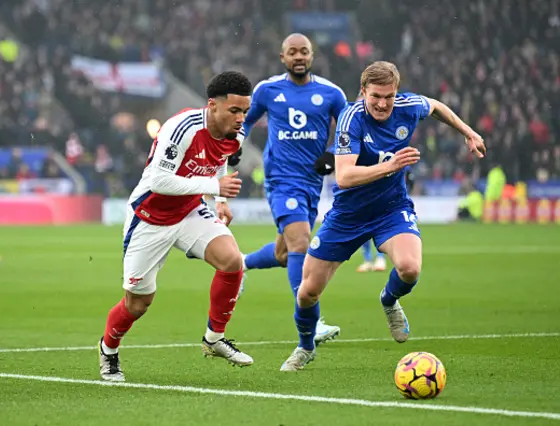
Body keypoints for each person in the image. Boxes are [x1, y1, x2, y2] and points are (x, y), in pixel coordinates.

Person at [280, 61, 486, 371]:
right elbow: (345, 176)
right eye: (375, 96)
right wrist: (390, 167)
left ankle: (389, 300)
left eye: (389, 96)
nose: (382, 103)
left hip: (391, 209)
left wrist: (468, 133)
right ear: (362, 92)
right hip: (347, 215)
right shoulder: (352, 119)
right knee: (307, 293)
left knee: (410, 269)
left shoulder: (408, 106)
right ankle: (306, 346)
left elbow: (437, 107)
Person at [98, 71, 254, 382]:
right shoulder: (180, 128)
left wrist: (219, 199)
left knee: (232, 261)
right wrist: (214, 184)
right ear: (212, 105)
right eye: (234, 110)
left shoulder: (235, 133)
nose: (241, 118)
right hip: (150, 218)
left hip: (190, 211)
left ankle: (213, 339)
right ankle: (108, 350)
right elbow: (158, 180)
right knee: (138, 303)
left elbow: (220, 159)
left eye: (245, 111)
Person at [240, 33, 345, 345]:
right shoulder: (268, 90)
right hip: (281, 181)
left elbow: (349, 128)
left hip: (312, 184)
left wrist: (333, 155)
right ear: (282, 57)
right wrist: (234, 147)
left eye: (304, 52)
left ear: (312, 56)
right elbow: (244, 122)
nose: (299, 57)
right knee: (300, 244)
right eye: (292, 52)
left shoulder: (331, 93)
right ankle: (312, 322)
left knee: (284, 253)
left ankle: (240, 265)